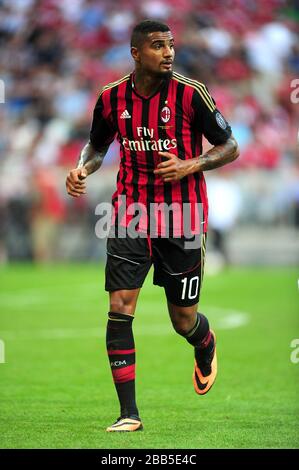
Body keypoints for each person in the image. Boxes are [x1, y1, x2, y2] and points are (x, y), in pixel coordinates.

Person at [66, 19, 239, 432]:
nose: (169, 52)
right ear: (136, 53)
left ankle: (204, 341)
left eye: (171, 44)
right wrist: (82, 167)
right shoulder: (111, 98)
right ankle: (129, 414)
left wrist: (190, 164)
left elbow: (230, 146)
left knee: (183, 320)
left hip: (181, 214)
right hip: (129, 212)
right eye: (159, 45)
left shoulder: (190, 93)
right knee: (119, 306)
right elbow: (98, 144)